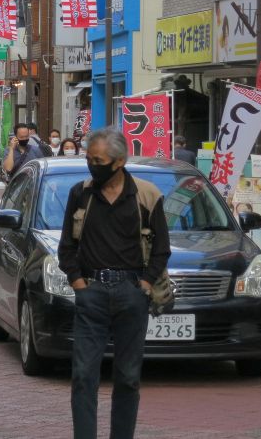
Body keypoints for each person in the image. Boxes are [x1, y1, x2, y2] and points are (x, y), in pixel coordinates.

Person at [57, 127, 170, 439]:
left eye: (98, 160)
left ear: (119, 161)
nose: (92, 164)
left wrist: (145, 285)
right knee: (83, 375)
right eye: (89, 158)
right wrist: (79, 283)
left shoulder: (146, 195)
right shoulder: (81, 193)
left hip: (131, 293)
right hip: (91, 292)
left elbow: (161, 249)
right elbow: (66, 247)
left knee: (128, 377)